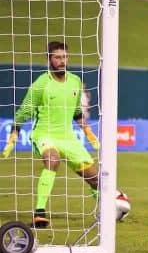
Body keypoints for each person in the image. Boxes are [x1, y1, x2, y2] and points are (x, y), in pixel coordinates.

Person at [1, 41, 101, 228]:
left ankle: (107, 205)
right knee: (52, 160)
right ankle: (39, 213)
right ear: (49, 59)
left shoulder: (75, 81)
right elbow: (23, 112)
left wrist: (88, 132)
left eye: (64, 57)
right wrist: (13, 136)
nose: (62, 61)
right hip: (44, 134)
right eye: (57, 57)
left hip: (68, 137)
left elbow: (76, 112)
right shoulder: (41, 84)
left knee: (95, 179)